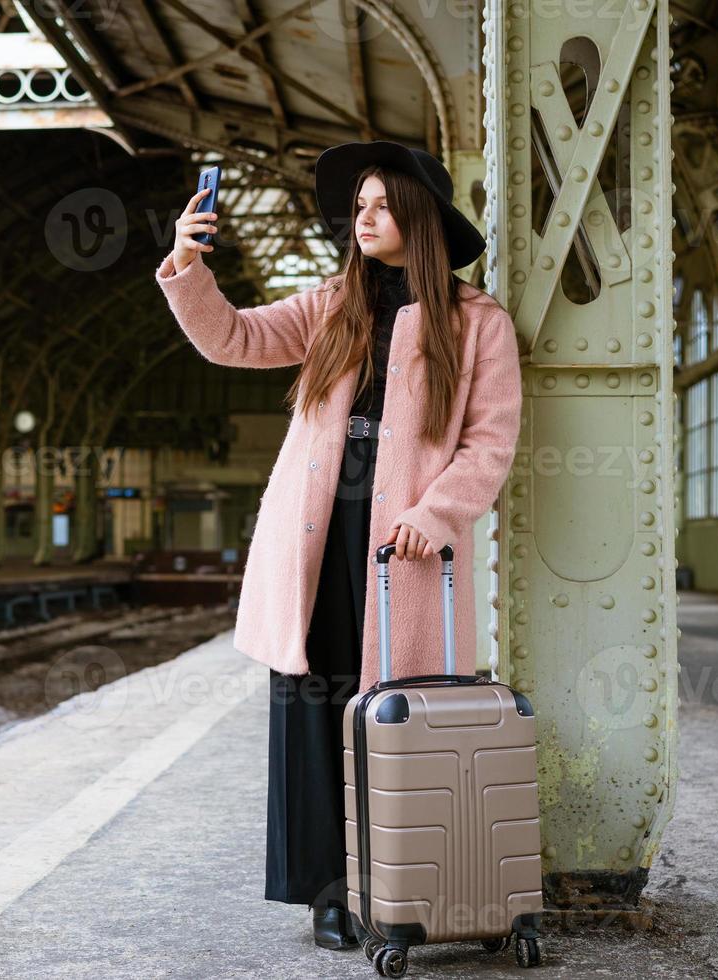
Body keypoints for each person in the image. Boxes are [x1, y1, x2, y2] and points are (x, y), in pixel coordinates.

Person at [153, 140, 523, 951]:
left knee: (392, 711)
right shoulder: (329, 305)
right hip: (318, 537)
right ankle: (327, 888)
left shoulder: (477, 322)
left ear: (420, 219)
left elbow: (490, 443)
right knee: (313, 699)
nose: (364, 218)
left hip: (406, 547)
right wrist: (188, 265)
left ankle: (396, 881)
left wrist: (439, 512)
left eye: (382, 205)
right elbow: (234, 339)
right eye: (358, 206)